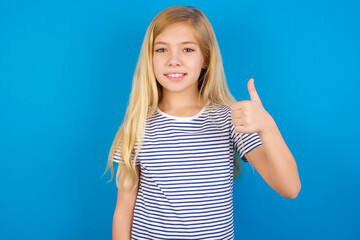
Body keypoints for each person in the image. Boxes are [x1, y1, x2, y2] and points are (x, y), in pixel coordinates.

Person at [104, 5, 301, 240]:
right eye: (161, 50)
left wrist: (267, 127)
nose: (173, 60)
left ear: (205, 58)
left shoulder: (230, 120)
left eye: (187, 49)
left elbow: (290, 188)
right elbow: (123, 212)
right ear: (150, 57)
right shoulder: (137, 124)